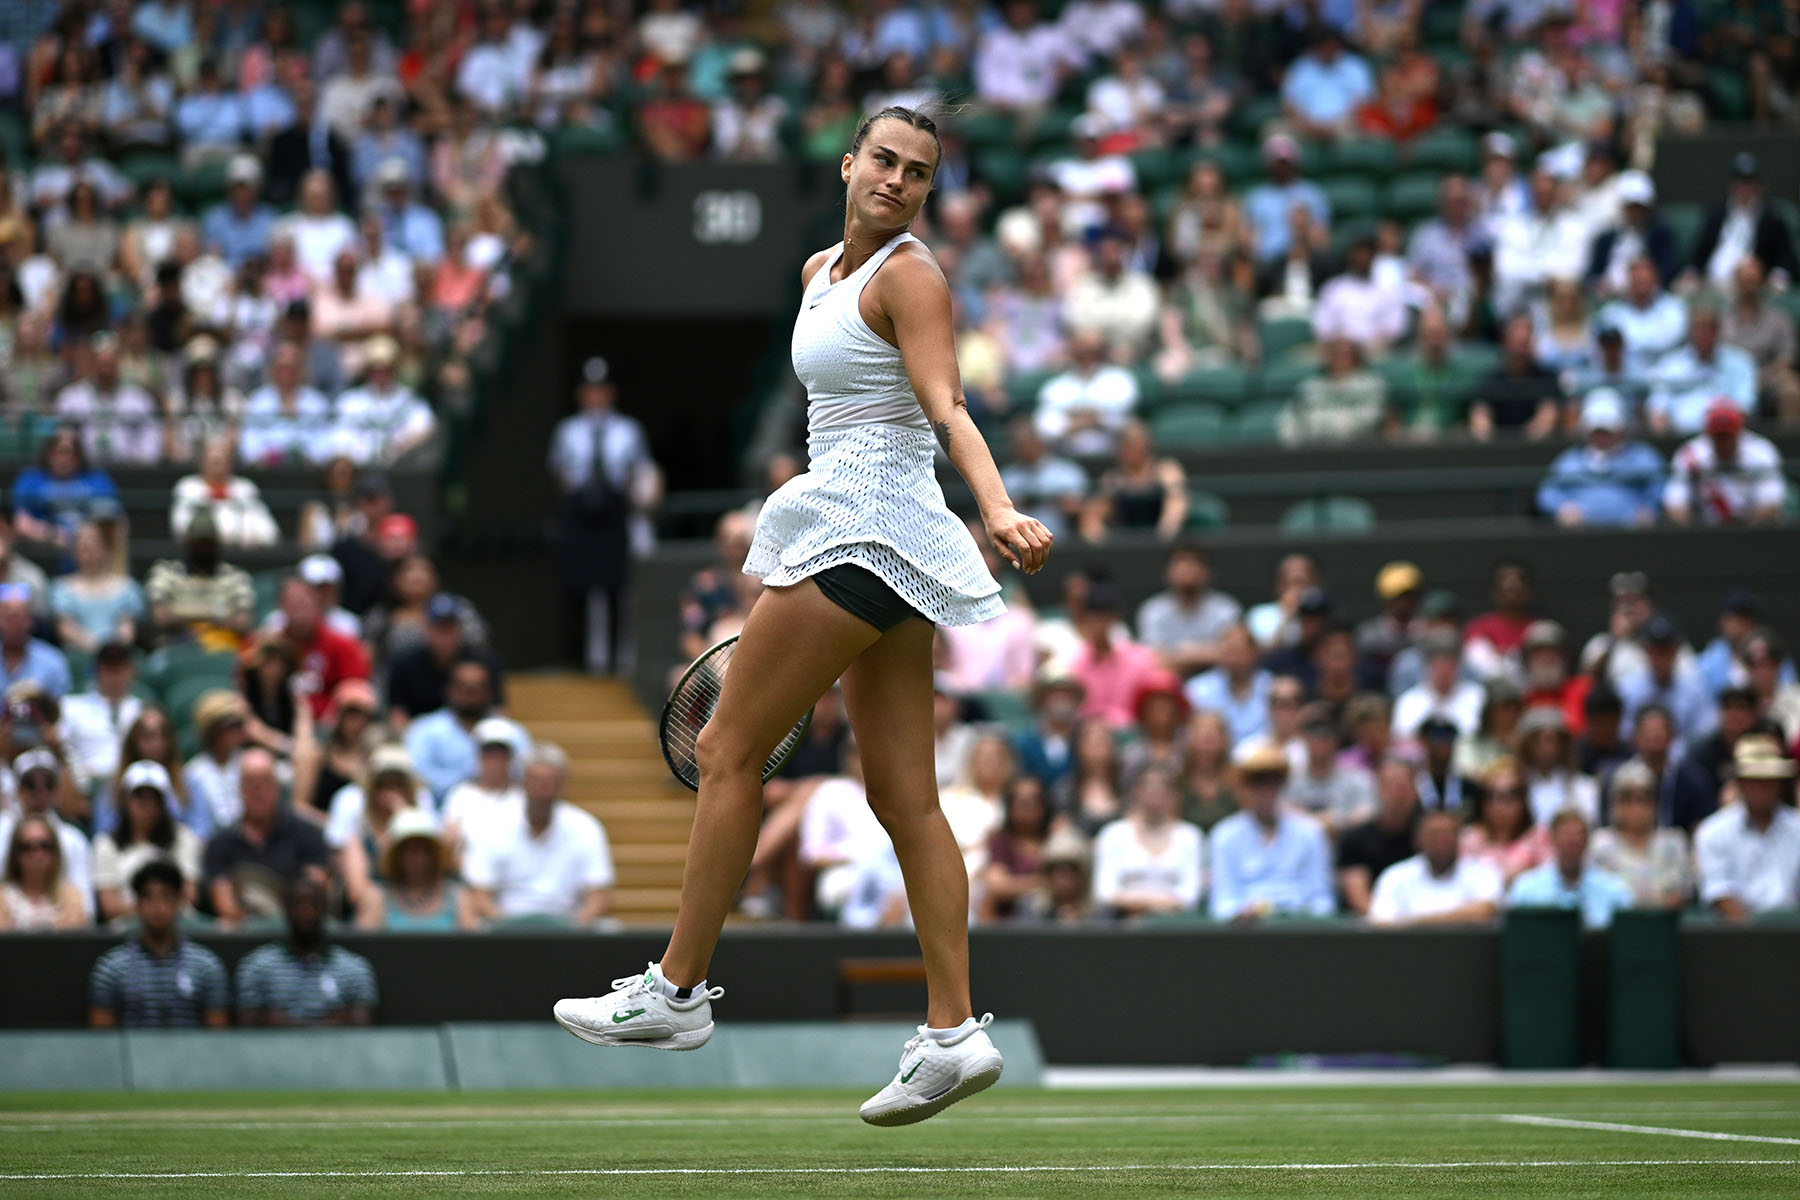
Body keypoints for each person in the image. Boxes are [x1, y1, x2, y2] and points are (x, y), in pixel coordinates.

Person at [553, 108, 1050, 1126]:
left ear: (926, 191)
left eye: (918, 172)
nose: (899, 180)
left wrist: (996, 505)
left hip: (869, 526)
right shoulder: (821, 268)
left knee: (729, 745)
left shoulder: (912, 277)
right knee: (905, 799)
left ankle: (677, 991)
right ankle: (954, 1034)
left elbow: (948, 405)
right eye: (885, 160)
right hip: (872, 528)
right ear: (849, 164)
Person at [548, 356, 658, 676]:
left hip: (613, 510)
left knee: (614, 585)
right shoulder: (567, 431)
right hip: (579, 511)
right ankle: (575, 661)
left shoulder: (628, 430)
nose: (596, 396)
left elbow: (642, 471)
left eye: (602, 390)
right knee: (575, 586)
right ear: (582, 394)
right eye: (590, 390)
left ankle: (612, 664)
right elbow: (557, 473)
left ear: (611, 393)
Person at [467, 743, 614, 926]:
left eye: (551, 782)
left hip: (569, 930)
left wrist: (572, 929)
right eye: (536, 780)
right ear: (522, 782)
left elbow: (598, 896)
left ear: (563, 786)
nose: (543, 789)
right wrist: (510, 930)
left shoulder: (586, 827)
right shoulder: (492, 825)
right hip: (506, 931)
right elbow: (479, 893)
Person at [202, 748, 331, 928]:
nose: (258, 792)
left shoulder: (308, 833)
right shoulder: (220, 842)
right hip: (246, 932)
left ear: (277, 787)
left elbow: (314, 895)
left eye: (265, 782)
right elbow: (226, 907)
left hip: (298, 929)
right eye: (250, 784)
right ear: (239, 789)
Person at [88, 862, 229, 1027]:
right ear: (138, 904)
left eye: (166, 897)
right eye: (148, 897)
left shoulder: (206, 966)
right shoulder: (112, 968)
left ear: (178, 901)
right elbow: (103, 1041)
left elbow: (218, 1039)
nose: (157, 906)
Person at [1208, 740, 1333, 922]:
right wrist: (1241, 912)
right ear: (1243, 786)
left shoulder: (1310, 832)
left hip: (1300, 932)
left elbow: (1322, 899)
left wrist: (1301, 917)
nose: (1266, 789)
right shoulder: (1225, 836)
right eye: (1257, 781)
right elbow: (1222, 902)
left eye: (1274, 780)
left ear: (1282, 784)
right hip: (1246, 935)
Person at [237, 878, 379, 1025]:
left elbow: (361, 1028)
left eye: (313, 903)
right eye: (298, 904)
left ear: (325, 908)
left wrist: (284, 1022)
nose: (306, 911)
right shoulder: (257, 966)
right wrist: (329, 1023)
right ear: (285, 908)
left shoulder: (354, 968)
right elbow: (248, 1025)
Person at [1694, 735, 1800, 920]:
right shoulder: (1713, 831)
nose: (1761, 787)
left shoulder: (1797, 827)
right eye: (1753, 780)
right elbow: (1720, 892)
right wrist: (1756, 934)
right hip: (1737, 939)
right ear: (1740, 783)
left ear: (1779, 783)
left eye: (1768, 780)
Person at [91, 761, 204, 922]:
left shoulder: (184, 837)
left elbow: (190, 895)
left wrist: (149, 908)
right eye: (140, 798)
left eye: (154, 799)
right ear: (125, 801)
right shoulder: (105, 844)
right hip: (126, 931)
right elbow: (109, 906)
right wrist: (154, 909)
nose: (147, 806)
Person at [1536, 390, 1665, 528]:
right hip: (1581, 538)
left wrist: (1648, 509)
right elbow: (1546, 493)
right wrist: (1562, 508)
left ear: (1621, 427)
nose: (1602, 436)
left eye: (1607, 431)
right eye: (1597, 431)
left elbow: (1659, 490)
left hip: (1631, 538)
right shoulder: (1569, 460)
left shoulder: (1644, 457)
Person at [1091, 765, 1205, 919]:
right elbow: (1105, 892)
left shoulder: (1190, 836)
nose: (1155, 796)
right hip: (1122, 925)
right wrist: (1159, 903)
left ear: (1173, 795)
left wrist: (1138, 902)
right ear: (1136, 792)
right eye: (1149, 789)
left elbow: (1190, 896)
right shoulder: (1113, 834)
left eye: (1161, 790)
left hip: (1176, 927)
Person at [144, 511, 255, 651]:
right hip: (175, 648)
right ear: (188, 542)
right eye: (198, 543)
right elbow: (160, 616)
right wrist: (218, 614)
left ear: (217, 543)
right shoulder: (165, 572)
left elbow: (243, 622)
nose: (203, 549)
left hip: (223, 650)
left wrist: (182, 613)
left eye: (207, 543)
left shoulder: (236, 576)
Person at [1663, 402, 1788, 526]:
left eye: (1728, 436)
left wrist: (1739, 536)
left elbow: (1771, 504)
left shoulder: (1761, 452)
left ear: (1739, 434)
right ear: (1708, 436)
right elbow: (1675, 505)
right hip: (1705, 532)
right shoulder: (1690, 455)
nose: (1723, 443)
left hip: (1752, 533)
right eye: (1718, 437)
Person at [1506, 811, 1635, 929]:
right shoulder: (1526, 889)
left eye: (1577, 835)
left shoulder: (1613, 890)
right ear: (1552, 839)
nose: (1571, 841)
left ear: (1587, 841)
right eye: (1565, 835)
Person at [1591, 761, 1694, 908]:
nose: (1636, 808)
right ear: (1614, 804)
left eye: (1643, 799)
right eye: (1627, 799)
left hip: (1663, 924)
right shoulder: (1599, 844)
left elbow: (1682, 892)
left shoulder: (1674, 842)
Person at [354, 808, 475, 932]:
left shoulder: (458, 898)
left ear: (433, 853)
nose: (416, 855)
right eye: (408, 848)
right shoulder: (376, 898)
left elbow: (473, 947)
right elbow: (360, 947)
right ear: (396, 854)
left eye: (423, 848)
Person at [1646, 305, 1757, 436]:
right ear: (1690, 333)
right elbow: (1658, 405)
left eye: (1707, 331)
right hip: (1680, 437)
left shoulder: (1740, 362)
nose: (1702, 336)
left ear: (1717, 332)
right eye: (1698, 331)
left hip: (1724, 437)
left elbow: (1745, 406)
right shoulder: (1671, 364)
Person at [1068, 582, 1164, 729]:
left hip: (1134, 733)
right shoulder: (1075, 662)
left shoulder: (1141, 658)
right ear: (1083, 621)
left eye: (1103, 617)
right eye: (1092, 618)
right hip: (1090, 735)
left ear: (1114, 619)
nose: (1098, 624)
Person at [1134, 546, 1241, 677]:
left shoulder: (1226, 609)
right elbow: (1153, 659)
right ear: (1167, 571)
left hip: (1217, 682)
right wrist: (1203, 654)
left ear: (1209, 572)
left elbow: (1234, 655)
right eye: (1181, 562)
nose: (1188, 568)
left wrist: (1181, 654)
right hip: (1168, 685)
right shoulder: (1152, 610)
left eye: (1196, 562)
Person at [402, 657, 497, 802]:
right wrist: (470, 779)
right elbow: (418, 778)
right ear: (450, 690)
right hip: (436, 814)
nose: (470, 694)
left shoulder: (508, 732)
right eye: (463, 687)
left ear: (489, 693)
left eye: (476, 688)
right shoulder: (424, 729)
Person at [1335, 759, 1421, 916]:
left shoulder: (1429, 835)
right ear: (1378, 790)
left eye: (1403, 787)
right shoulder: (1354, 839)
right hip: (1374, 929)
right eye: (1390, 786)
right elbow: (1359, 898)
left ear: (1415, 790)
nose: (1397, 794)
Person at [441, 717, 529, 863]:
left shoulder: (523, 797)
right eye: (489, 755)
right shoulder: (460, 795)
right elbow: (449, 842)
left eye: (501, 756)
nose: (494, 762)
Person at [56, 641, 143, 787]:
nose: (114, 676)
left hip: (130, 785)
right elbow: (59, 747)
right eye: (108, 668)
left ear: (131, 670)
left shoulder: (141, 710)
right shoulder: (71, 707)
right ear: (97, 670)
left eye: (120, 668)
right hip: (85, 782)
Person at [50, 522, 144, 654]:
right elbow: (66, 629)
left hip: (116, 658)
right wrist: (97, 648)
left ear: (105, 548)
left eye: (93, 543)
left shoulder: (127, 587)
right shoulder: (61, 588)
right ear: (74, 552)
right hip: (79, 658)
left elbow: (127, 632)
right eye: (82, 546)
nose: (88, 549)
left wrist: (109, 652)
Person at [1459, 756, 1553, 886]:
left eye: (1509, 796)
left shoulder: (1540, 838)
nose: (1499, 805)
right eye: (1490, 795)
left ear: (1523, 800)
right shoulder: (1468, 840)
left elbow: (1550, 881)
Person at [170, 438, 280, 548]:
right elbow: (181, 528)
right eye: (214, 462)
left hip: (243, 554)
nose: (218, 467)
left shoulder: (245, 488)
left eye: (222, 461)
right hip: (204, 557)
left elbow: (269, 533)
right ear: (202, 463)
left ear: (230, 464)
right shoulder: (188, 488)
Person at [1286, 706, 1375, 835]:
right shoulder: (1289, 777)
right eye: (1313, 732)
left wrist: (1334, 821)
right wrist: (1319, 823)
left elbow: (1368, 812)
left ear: (1337, 739)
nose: (1320, 739)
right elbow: (1280, 809)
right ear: (1303, 737)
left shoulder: (1357, 777)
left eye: (1327, 733)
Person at [1183, 625, 1271, 750]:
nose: (1233, 658)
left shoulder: (1271, 688)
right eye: (1228, 652)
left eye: (1238, 652)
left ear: (1254, 652)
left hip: (1263, 763)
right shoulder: (1197, 690)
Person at [0, 812, 89, 931]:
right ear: (15, 854)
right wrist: (55, 924)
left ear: (55, 852)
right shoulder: (2, 897)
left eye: (44, 846)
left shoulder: (71, 895)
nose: (37, 854)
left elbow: (74, 929)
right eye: (27, 847)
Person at [1392, 631, 1485, 740]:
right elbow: (1401, 740)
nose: (1444, 668)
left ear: (1459, 665)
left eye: (1450, 661)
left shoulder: (1478, 696)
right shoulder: (1408, 701)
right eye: (1438, 662)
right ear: (1427, 665)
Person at [0, 584, 71, 699]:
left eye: (19, 617)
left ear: (30, 620)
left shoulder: (52, 661)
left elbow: (60, 709)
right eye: (8, 617)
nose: (14, 624)